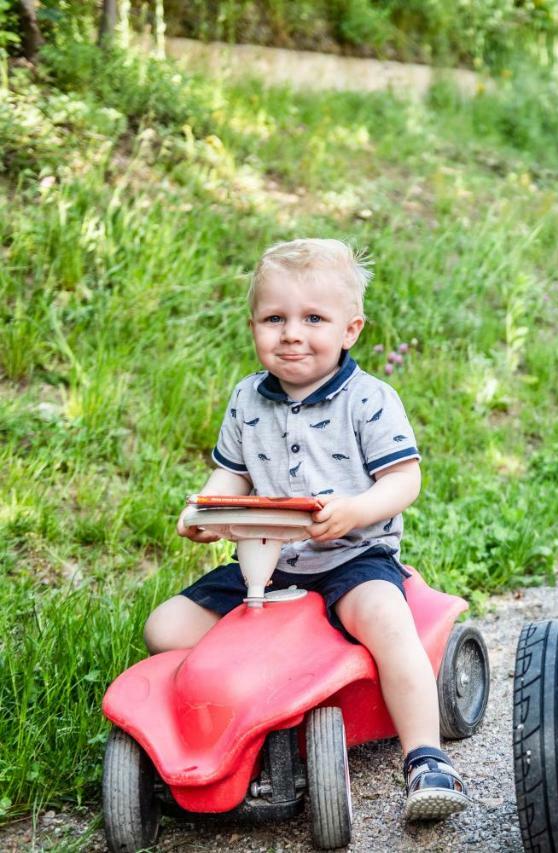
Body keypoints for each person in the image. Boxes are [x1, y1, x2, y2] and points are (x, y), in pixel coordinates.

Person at [143, 238, 470, 820]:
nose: (292, 333)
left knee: (388, 625)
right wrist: (209, 511)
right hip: (267, 565)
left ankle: (426, 758)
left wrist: (357, 508)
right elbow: (230, 472)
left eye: (313, 318)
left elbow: (404, 481)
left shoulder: (369, 400)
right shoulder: (248, 398)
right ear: (254, 327)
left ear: (350, 329)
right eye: (275, 319)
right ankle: (221, 727)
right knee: (165, 628)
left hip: (352, 556)